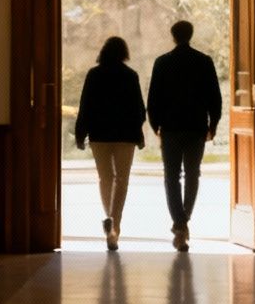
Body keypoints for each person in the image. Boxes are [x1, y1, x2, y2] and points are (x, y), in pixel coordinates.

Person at [145, 20, 223, 252]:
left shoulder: (163, 62)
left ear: (173, 36)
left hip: (170, 127)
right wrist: (213, 125)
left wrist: (156, 125)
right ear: (191, 35)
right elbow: (214, 98)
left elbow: (153, 99)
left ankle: (179, 223)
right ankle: (183, 221)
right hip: (196, 126)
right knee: (192, 174)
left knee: (171, 176)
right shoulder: (204, 62)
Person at [72, 36, 145, 252]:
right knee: (121, 180)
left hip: (99, 134)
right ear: (124, 53)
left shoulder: (94, 75)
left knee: (105, 178)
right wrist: (138, 128)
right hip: (125, 136)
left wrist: (80, 133)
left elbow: (85, 105)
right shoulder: (130, 76)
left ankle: (108, 218)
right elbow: (139, 108)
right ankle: (115, 225)